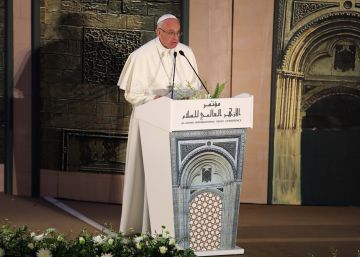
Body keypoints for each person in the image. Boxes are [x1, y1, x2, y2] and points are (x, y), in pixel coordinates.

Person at [117, 14, 201, 234]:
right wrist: (152, 100)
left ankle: (175, 224)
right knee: (148, 172)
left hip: (178, 122)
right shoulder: (141, 56)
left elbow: (195, 87)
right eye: (170, 33)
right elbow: (131, 94)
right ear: (158, 32)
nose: (175, 37)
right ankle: (142, 225)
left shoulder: (186, 53)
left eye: (177, 32)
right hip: (149, 121)